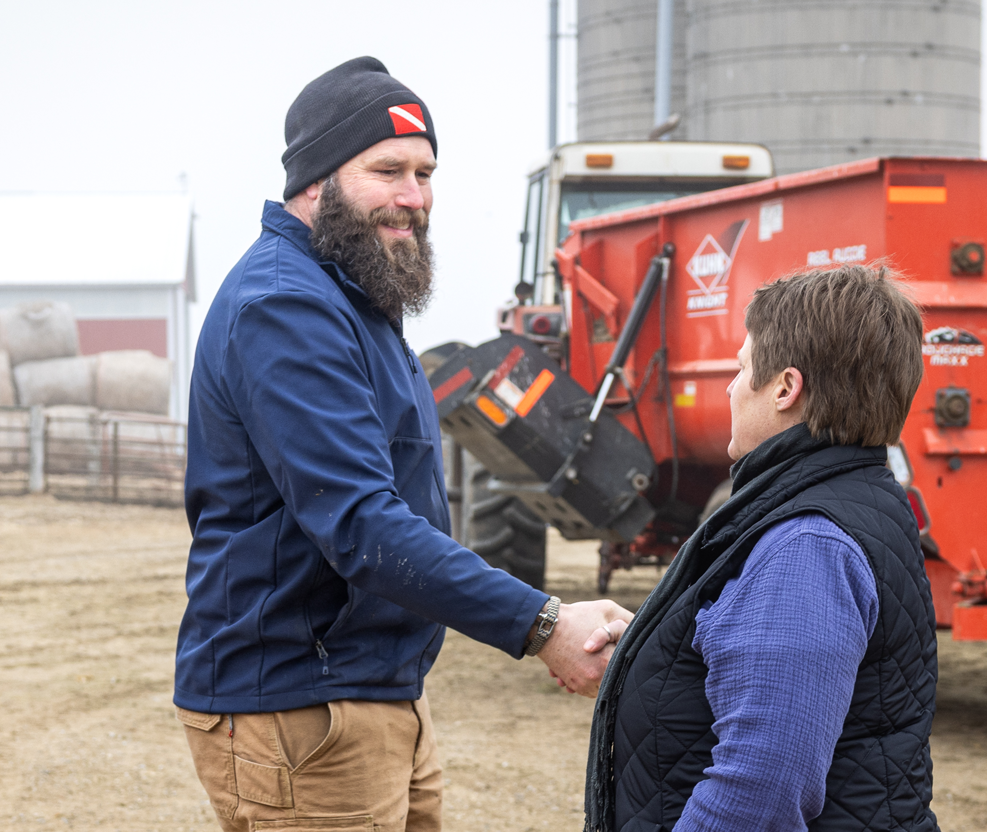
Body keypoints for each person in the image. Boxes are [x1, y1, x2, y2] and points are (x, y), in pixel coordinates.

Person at [173, 56, 632, 832]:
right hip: (302, 708)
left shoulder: (354, 300)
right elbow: (360, 523)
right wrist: (544, 624)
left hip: (367, 694)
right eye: (387, 170)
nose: (413, 198)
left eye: (425, 173)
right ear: (316, 181)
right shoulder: (286, 307)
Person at [580, 264, 940, 832]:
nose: (728, 386)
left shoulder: (808, 543)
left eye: (741, 367)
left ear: (784, 389)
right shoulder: (845, 501)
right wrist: (662, 648)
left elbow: (762, 787)